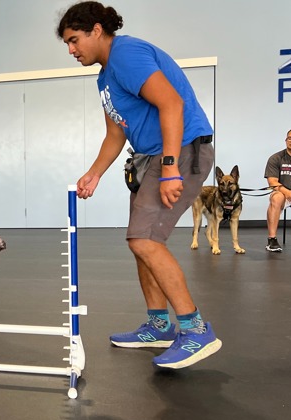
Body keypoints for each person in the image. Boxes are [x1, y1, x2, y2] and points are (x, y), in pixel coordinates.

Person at [56, 1, 221, 369]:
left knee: (144, 240)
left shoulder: (126, 54)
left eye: (74, 40)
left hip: (180, 151)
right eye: (67, 43)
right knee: (141, 242)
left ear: (96, 30)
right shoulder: (105, 77)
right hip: (152, 156)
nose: (71, 50)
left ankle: (195, 331)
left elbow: (172, 104)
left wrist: (170, 169)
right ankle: (159, 325)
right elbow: (116, 133)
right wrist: (94, 173)